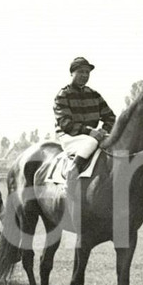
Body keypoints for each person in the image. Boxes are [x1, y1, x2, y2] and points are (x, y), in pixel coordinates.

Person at [53, 57, 116, 193]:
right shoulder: (63, 95)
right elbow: (65, 123)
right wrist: (90, 132)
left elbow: (110, 117)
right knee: (92, 142)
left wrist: (103, 131)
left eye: (87, 73)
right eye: (81, 72)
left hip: (91, 136)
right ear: (72, 73)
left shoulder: (94, 95)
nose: (85, 75)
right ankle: (71, 174)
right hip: (69, 136)